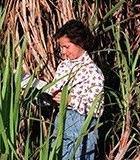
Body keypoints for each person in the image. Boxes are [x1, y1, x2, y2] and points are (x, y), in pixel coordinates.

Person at [49, 19, 105, 159]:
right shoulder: (63, 66)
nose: (63, 51)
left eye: (66, 47)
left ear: (79, 42)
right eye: (61, 47)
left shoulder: (92, 71)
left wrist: (69, 100)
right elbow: (56, 90)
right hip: (61, 121)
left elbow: (96, 107)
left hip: (81, 125)